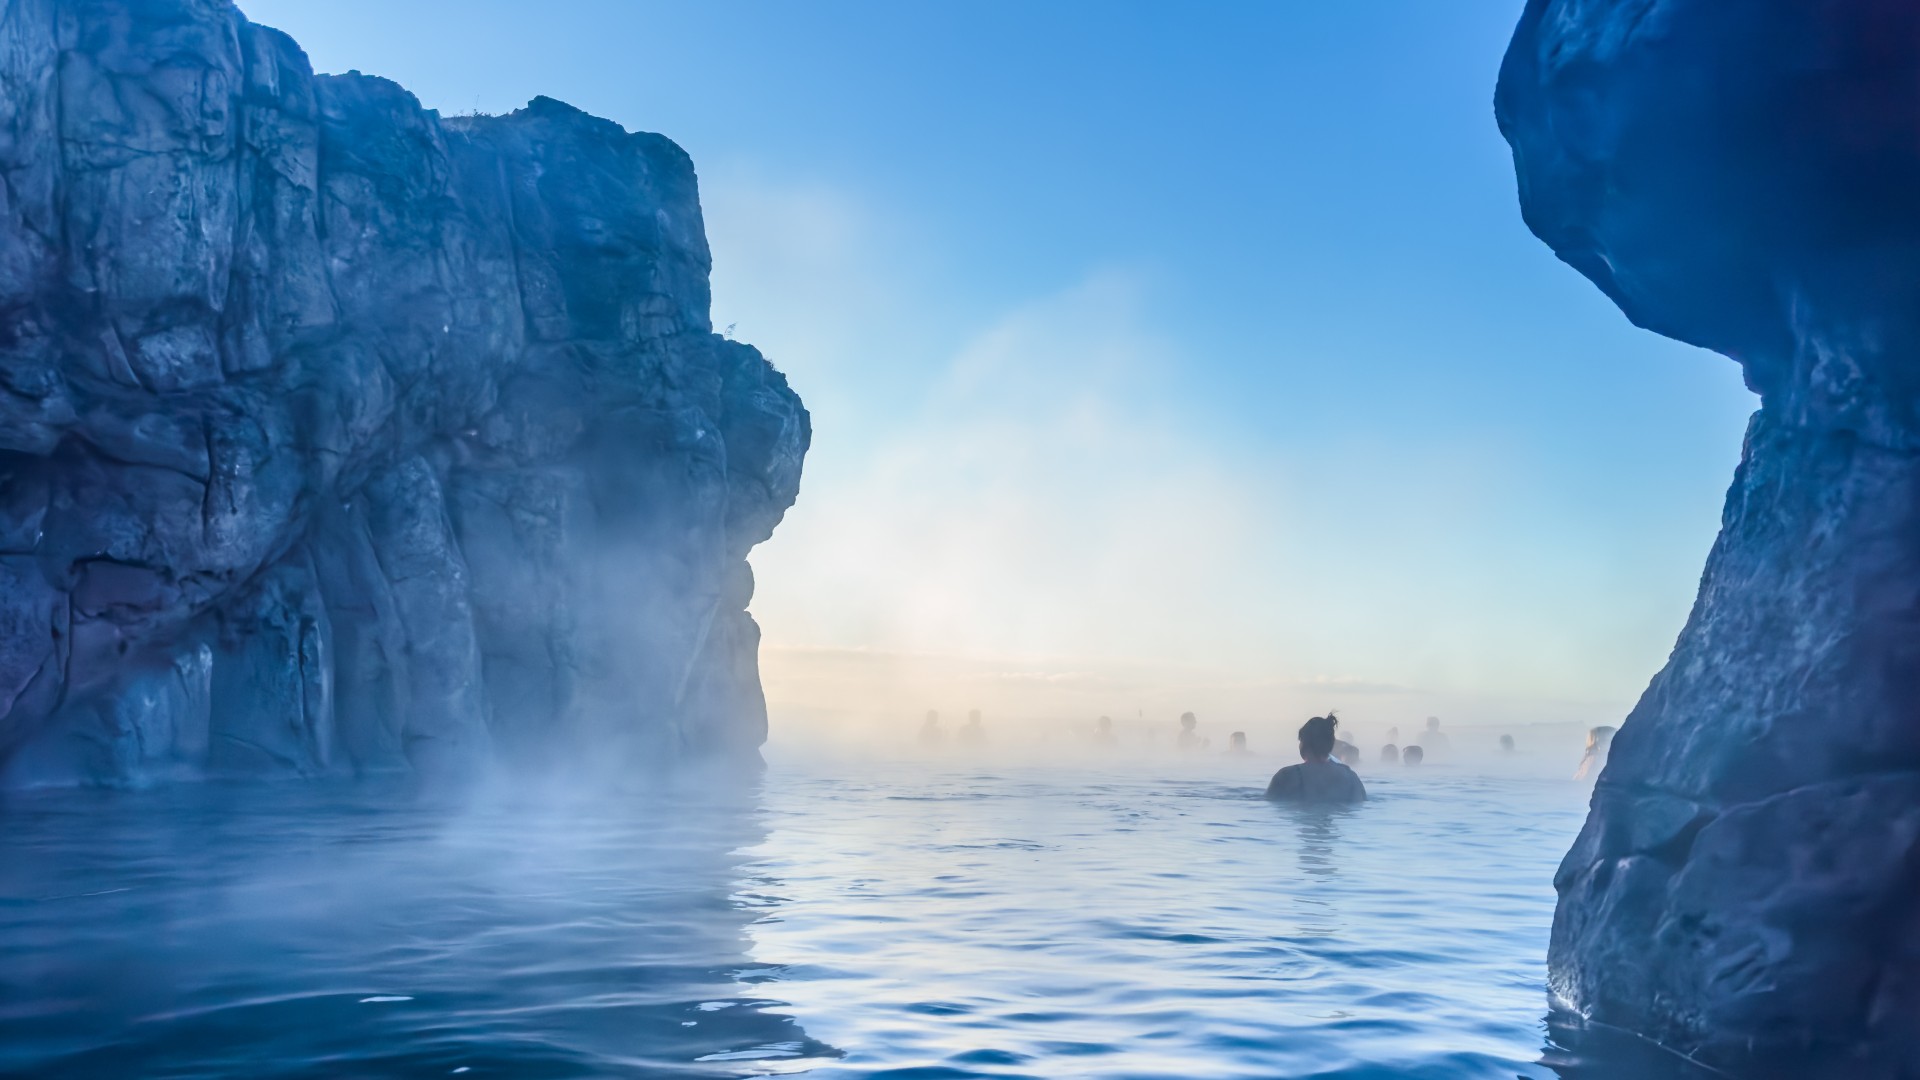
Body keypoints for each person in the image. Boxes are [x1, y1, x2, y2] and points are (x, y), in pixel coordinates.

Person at [1265, 714, 1366, 804]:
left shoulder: (1286, 776)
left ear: (1304, 744)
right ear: (1330, 745)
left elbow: (1269, 801)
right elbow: (1361, 802)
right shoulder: (1351, 777)